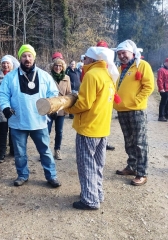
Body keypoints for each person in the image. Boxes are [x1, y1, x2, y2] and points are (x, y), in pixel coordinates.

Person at [0, 44, 61, 188]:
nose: (27, 59)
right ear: (20, 58)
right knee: (20, 153)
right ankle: (22, 175)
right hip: (18, 121)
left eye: (30, 55)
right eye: (24, 56)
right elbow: (2, 94)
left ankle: (52, 176)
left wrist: (53, 107)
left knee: (45, 151)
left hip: (39, 121)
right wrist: (5, 107)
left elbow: (53, 93)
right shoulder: (11, 77)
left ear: (34, 57)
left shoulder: (44, 76)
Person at [65, 46, 118, 210]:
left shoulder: (92, 75)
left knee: (86, 164)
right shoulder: (108, 75)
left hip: (88, 128)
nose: (83, 61)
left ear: (93, 60)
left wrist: (68, 109)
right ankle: (97, 193)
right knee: (97, 165)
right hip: (102, 128)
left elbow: (84, 103)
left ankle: (89, 200)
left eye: (85, 58)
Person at [114, 40, 154, 186]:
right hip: (122, 110)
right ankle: (131, 166)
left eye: (123, 53)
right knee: (128, 141)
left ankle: (142, 172)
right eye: (119, 54)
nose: (121, 56)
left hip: (136, 110)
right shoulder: (119, 68)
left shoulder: (142, 65)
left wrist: (137, 100)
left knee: (139, 142)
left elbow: (149, 86)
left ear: (132, 52)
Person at [47, 52, 71, 160]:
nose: (58, 67)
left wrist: (67, 105)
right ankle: (45, 151)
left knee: (59, 131)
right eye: (56, 65)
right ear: (53, 66)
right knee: (46, 130)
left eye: (60, 66)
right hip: (50, 107)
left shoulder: (67, 78)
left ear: (63, 67)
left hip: (61, 108)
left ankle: (57, 150)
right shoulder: (48, 76)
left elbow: (69, 93)